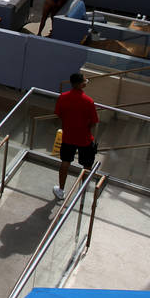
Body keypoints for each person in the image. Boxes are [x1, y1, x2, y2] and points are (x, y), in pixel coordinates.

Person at [53, 72, 98, 201]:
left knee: (65, 161)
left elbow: (59, 114)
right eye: (85, 80)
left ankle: (61, 190)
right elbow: (94, 122)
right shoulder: (88, 101)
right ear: (80, 84)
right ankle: (82, 190)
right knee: (87, 165)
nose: (86, 82)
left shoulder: (63, 97)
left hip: (68, 136)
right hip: (84, 138)